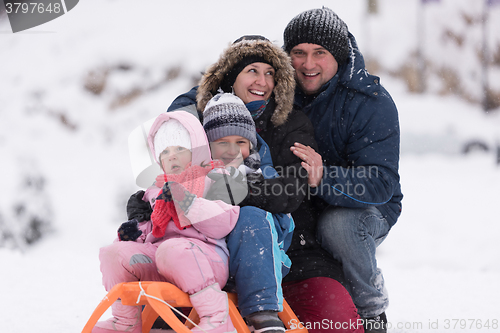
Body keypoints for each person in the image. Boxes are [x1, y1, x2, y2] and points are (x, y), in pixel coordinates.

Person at [161, 36, 362, 332]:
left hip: (291, 252)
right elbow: (172, 169)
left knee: (339, 322)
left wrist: (233, 191)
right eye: (252, 71)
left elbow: (291, 192)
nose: (263, 82)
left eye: (270, 73)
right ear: (231, 77)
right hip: (205, 245)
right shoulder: (202, 119)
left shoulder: (291, 123)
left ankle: (263, 312)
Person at [282, 7, 404, 333]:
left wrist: (325, 177)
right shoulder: (279, 88)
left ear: (338, 55)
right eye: (299, 53)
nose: (308, 64)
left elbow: (381, 183)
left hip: (366, 208)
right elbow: (227, 80)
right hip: (300, 205)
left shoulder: (370, 101)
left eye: (319, 53)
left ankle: (371, 311)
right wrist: (183, 113)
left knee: (338, 226)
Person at [92, 111, 240, 333]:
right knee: (113, 253)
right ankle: (125, 322)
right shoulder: (154, 192)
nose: (172, 156)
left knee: (172, 250)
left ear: (196, 150)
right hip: (161, 260)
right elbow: (151, 230)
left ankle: (216, 318)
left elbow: (224, 222)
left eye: (180, 149)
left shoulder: (215, 178)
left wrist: (188, 202)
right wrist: (133, 231)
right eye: (165, 151)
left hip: (207, 260)